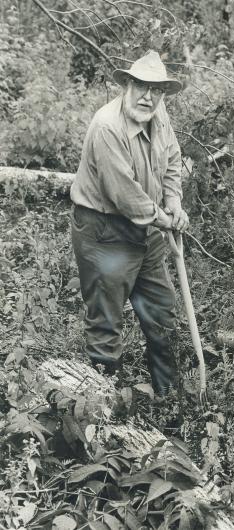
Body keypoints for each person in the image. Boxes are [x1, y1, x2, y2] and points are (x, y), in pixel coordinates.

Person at [70, 50, 189, 396]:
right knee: (106, 326)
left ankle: (170, 403)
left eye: (156, 89)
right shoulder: (107, 126)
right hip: (105, 232)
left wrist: (174, 201)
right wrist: (165, 219)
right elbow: (124, 195)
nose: (148, 96)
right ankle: (104, 412)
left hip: (148, 228)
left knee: (162, 317)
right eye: (140, 86)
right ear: (127, 85)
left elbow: (172, 160)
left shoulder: (159, 113)